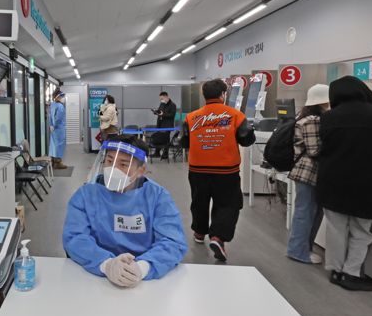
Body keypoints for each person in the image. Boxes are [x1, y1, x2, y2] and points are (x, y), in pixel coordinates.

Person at [63, 135, 187, 287]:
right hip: (96, 280)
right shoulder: (85, 195)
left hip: (144, 283)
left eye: (123, 164)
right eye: (109, 161)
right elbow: (75, 237)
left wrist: (142, 267)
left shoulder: (157, 197)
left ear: (141, 170)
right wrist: (106, 264)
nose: (113, 169)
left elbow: (173, 241)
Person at [317, 76, 372, 291]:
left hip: (332, 179)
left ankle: (335, 270)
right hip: (366, 180)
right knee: (362, 230)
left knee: (335, 228)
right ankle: (351, 273)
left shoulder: (328, 117)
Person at [182, 79, 255, 262]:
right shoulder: (236, 115)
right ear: (223, 94)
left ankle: (199, 232)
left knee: (199, 200)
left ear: (204, 95)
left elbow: (183, 142)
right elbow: (247, 139)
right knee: (228, 204)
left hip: (198, 169)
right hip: (226, 171)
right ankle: (218, 237)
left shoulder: (191, 117)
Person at [286, 84, 329, 265]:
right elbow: (314, 150)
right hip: (309, 171)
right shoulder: (312, 120)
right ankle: (299, 251)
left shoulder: (305, 118)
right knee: (306, 212)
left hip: (306, 171)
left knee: (310, 211)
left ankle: (303, 249)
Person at [151, 92, 177, 159]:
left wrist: (162, 114)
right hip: (160, 125)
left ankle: (165, 154)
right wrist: (156, 112)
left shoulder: (172, 105)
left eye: (162, 99)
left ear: (166, 97)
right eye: (160, 99)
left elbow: (171, 115)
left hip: (167, 125)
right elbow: (160, 112)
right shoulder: (162, 104)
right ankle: (157, 153)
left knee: (166, 139)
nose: (161, 100)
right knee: (158, 138)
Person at [49, 89, 68, 169]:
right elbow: (59, 119)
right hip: (59, 129)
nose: (64, 98)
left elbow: (50, 116)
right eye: (62, 96)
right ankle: (58, 163)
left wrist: (51, 125)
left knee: (53, 145)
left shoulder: (52, 105)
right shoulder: (60, 106)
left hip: (53, 129)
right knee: (59, 145)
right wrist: (55, 125)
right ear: (58, 97)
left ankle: (53, 161)